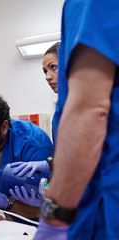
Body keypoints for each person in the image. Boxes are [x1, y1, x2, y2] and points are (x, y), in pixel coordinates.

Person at [33, 0, 119, 239]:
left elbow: (89, 112)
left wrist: (53, 218)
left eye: (54, 67)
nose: (49, 77)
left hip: (105, 211)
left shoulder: (91, 4)